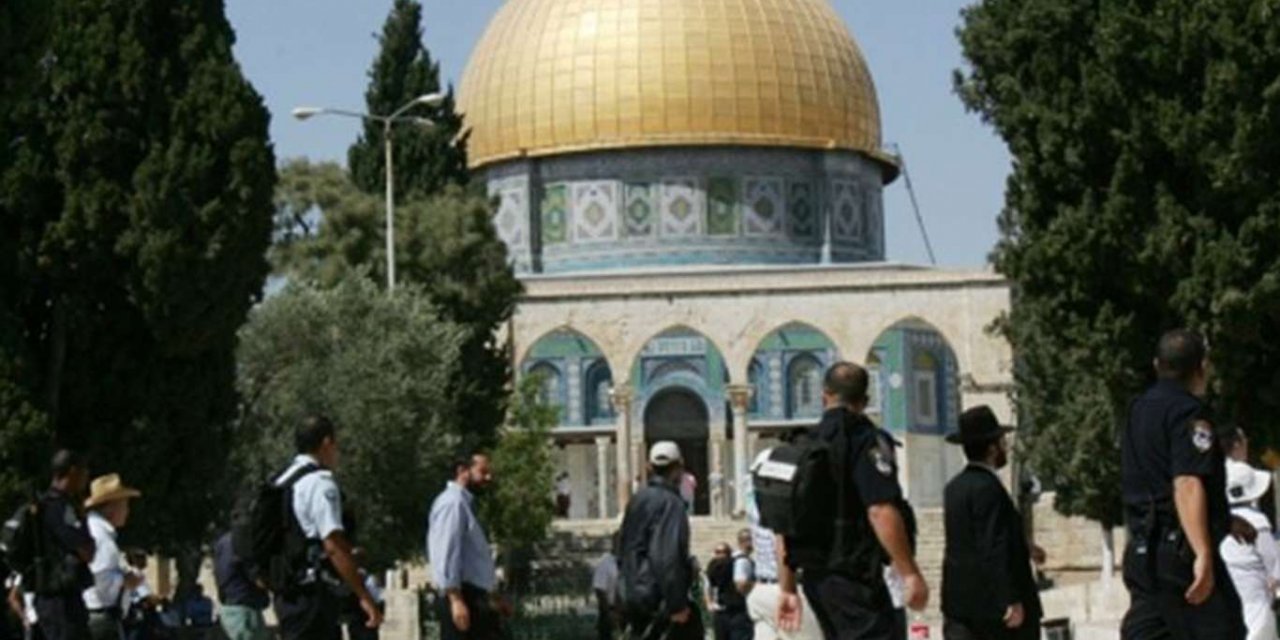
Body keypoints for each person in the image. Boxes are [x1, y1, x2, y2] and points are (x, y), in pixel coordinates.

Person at [776, 362, 928, 640]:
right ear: (866, 400)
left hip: (816, 578)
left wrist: (787, 587)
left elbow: (784, 520)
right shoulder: (865, 440)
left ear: (824, 396)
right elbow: (880, 509)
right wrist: (910, 574)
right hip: (853, 577)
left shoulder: (803, 445)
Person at [1120, 329, 1247, 639]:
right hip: (1181, 555)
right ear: (1201, 367)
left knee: (1150, 632)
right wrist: (1202, 551)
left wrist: (1223, 520)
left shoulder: (1137, 410)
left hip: (1142, 551)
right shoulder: (1188, 413)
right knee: (1224, 629)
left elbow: (1154, 480)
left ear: (1156, 364)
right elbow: (1186, 482)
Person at [271, 415, 383, 640]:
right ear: (326, 443)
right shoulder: (320, 483)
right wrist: (363, 594)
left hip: (288, 591)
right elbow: (333, 545)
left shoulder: (283, 480)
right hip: (313, 593)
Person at [940, 406, 1043, 640]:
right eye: (1002, 442)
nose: (1005, 447)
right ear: (992, 448)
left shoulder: (954, 488)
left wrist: (1026, 545)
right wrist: (1010, 598)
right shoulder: (988, 489)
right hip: (994, 614)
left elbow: (970, 539)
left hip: (960, 607)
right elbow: (993, 545)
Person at [618, 441, 703, 640]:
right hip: (659, 600)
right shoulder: (671, 504)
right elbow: (667, 557)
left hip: (634, 597)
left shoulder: (637, 500)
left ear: (648, 467)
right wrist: (677, 605)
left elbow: (623, 550)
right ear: (680, 467)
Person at [744, 448, 821, 640]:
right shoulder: (783, 504)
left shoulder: (752, 500)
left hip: (762, 588)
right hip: (789, 588)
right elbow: (783, 544)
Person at [426, 452, 502, 640]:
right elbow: (447, 551)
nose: (488, 478)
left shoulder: (464, 504)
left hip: (475, 597)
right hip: (464, 596)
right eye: (482, 472)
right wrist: (456, 599)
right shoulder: (453, 503)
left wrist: (493, 596)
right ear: (462, 471)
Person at [34, 450, 95, 640]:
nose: (86, 479)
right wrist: (83, 518)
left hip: (51, 599)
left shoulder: (44, 505)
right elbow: (86, 551)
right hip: (61, 602)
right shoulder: (60, 508)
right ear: (73, 472)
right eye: (85, 473)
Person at [1220, 459, 1280, 640]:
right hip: (1257, 605)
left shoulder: (1219, 524)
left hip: (1228, 605)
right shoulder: (1258, 523)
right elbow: (1274, 566)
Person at [81, 474, 142, 640]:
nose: (127, 511)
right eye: (124, 505)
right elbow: (100, 577)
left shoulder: (97, 531)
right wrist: (127, 579)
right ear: (110, 508)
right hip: (101, 617)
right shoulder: (101, 536)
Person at [212, 525, 270, 640]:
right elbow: (255, 575)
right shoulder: (242, 542)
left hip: (230, 606)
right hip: (245, 607)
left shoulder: (223, 542)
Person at [592, 535, 620, 640]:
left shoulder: (627, 561)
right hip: (609, 610)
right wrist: (609, 612)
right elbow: (599, 589)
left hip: (624, 611)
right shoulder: (605, 563)